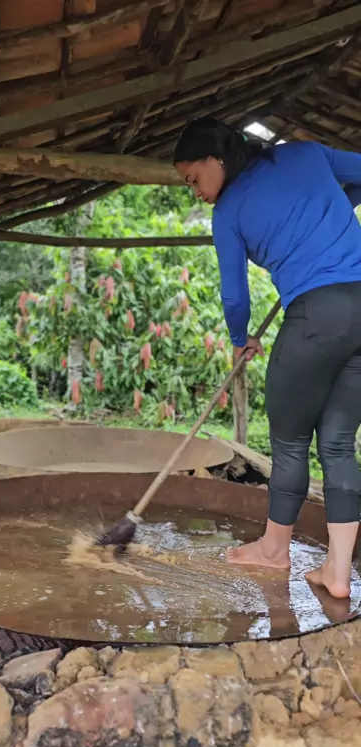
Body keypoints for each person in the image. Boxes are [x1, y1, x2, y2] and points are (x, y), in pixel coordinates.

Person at [173, 116, 361, 599]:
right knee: (338, 443)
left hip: (315, 314)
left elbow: (234, 294)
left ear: (216, 159)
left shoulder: (228, 212)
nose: (196, 191)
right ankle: (337, 573)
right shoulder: (306, 154)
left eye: (193, 178)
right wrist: (337, 208)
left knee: (291, 443)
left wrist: (241, 339)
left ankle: (275, 550)